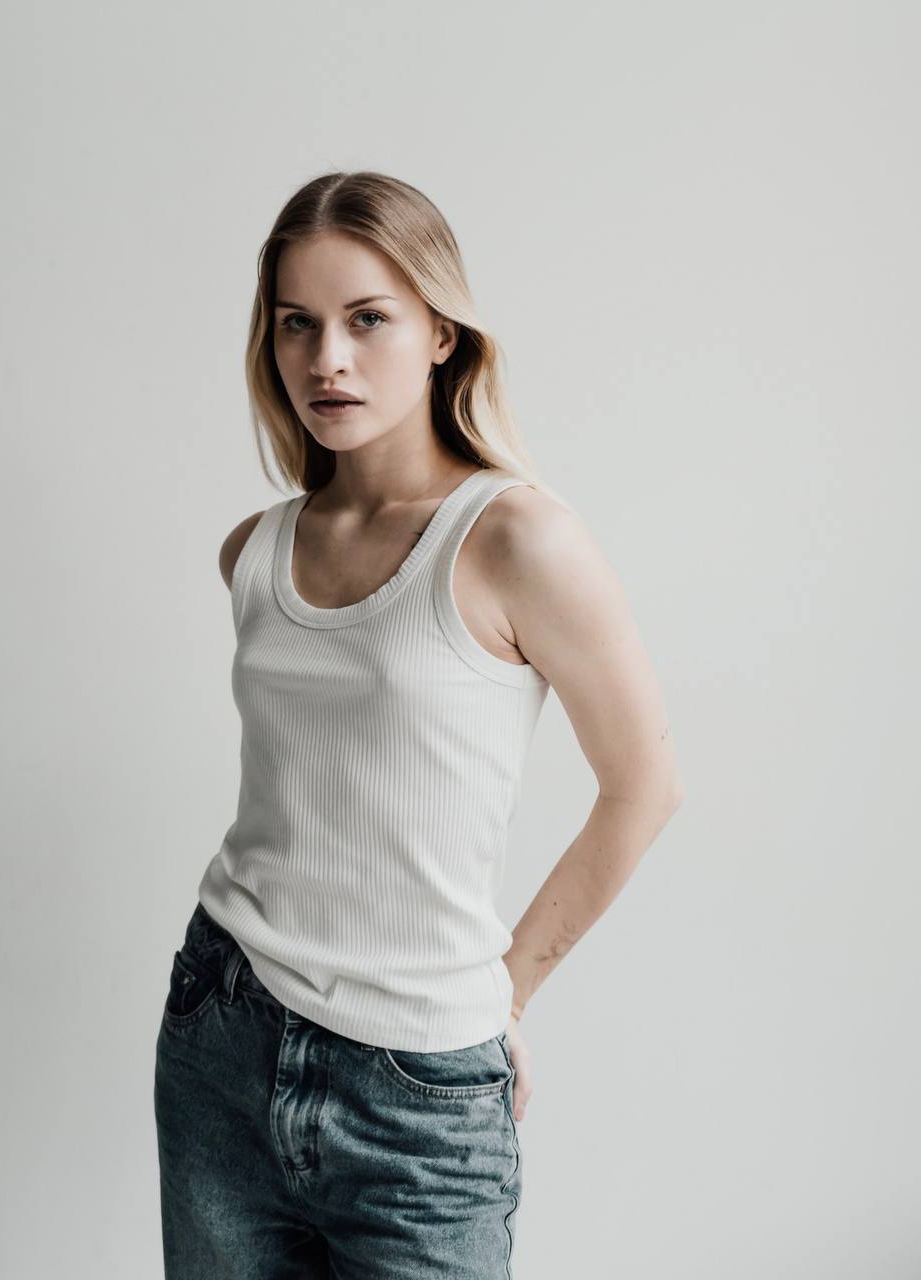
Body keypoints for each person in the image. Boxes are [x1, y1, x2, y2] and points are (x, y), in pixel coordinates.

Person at [154, 170, 683, 1279]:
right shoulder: (253, 551)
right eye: (296, 323)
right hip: (222, 1030)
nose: (326, 359)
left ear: (441, 332)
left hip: (419, 1090)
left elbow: (643, 786)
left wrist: (506, 992)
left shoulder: (516, 540)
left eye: (367, 319)